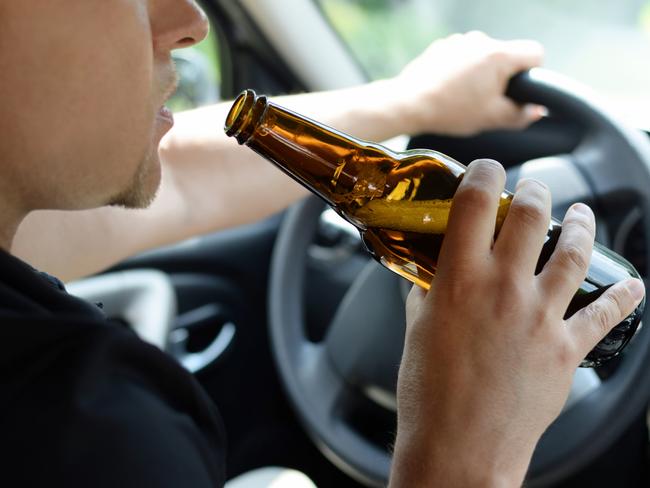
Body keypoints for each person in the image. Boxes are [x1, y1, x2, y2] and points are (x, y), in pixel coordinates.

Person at [0, 1, 643, 487]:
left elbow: (188, 186)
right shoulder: (82, 431)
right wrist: (466, 449)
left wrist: (412, 99)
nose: (191, 20)